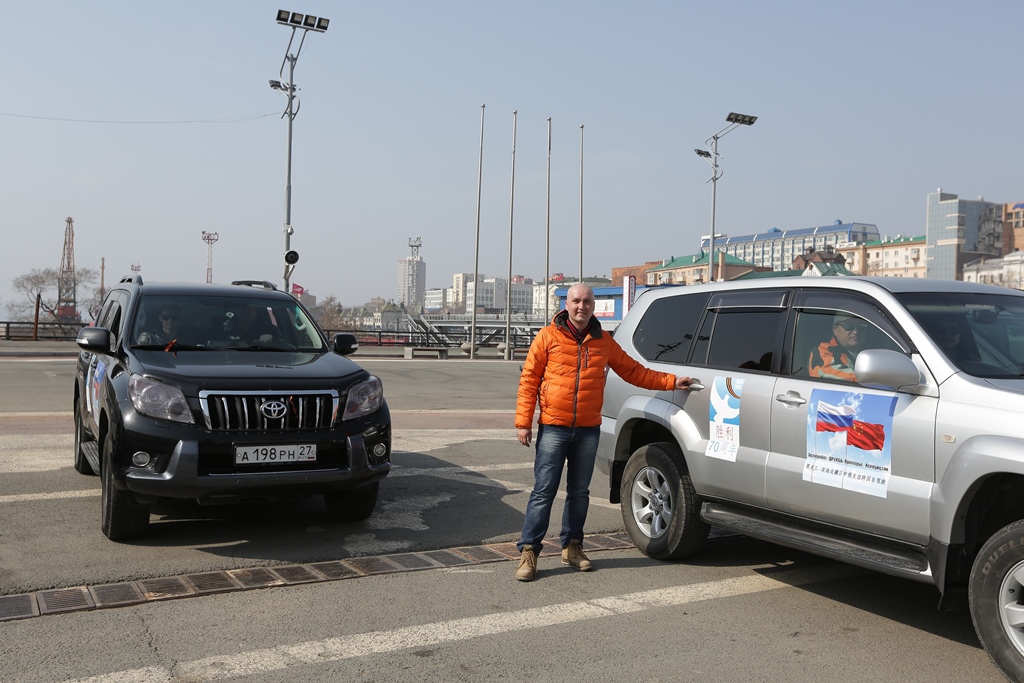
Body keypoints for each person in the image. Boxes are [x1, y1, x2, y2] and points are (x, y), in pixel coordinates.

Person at [513, 283, 693, 582]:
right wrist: (523, 422)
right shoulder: (548, 337)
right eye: (575, 301)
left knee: (579, 492)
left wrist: (672, 382)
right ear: (566, 305)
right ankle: (529, 550)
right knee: (543, 491)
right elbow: (529, 379)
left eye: (586, 301)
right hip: (554, 427)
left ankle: (572, 546)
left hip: (587, 428)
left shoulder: (603, 342)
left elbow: (635, 371)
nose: (581, 306)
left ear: (593, 306)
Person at [809, 313, 868, 382]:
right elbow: (827, 371)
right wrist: (869, 383)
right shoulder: (823, 351)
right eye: (849, 326)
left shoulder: (871, 352)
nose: (856, 331)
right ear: (835, 329)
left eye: (862, 326)